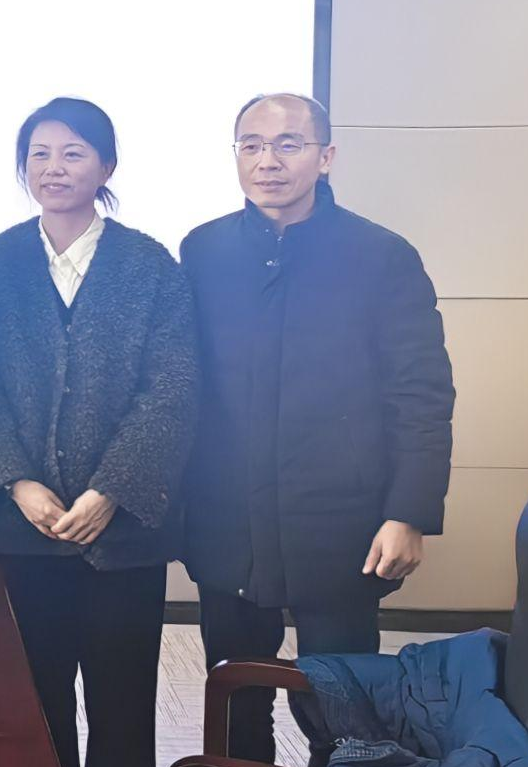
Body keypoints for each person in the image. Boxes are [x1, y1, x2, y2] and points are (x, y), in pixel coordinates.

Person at [181, 93, 455, 764]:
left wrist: (408, 512)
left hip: (341, 524)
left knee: (341, 705)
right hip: (228, 520)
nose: (266, 161)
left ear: (325, 156)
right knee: (234, 695)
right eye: (250, 145)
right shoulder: (203, 250)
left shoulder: (380, 255)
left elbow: (420, 394)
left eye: (287, 144)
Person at [0, 97, 197, 768]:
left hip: (122, 537)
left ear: (106, 166)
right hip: (22, 530)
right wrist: (17, 483)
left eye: (72, 153)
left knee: (122, 703)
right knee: (30, 703)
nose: (53, 168)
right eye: (38, 154)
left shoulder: (149, 265)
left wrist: (111, 490)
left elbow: (173, 387)